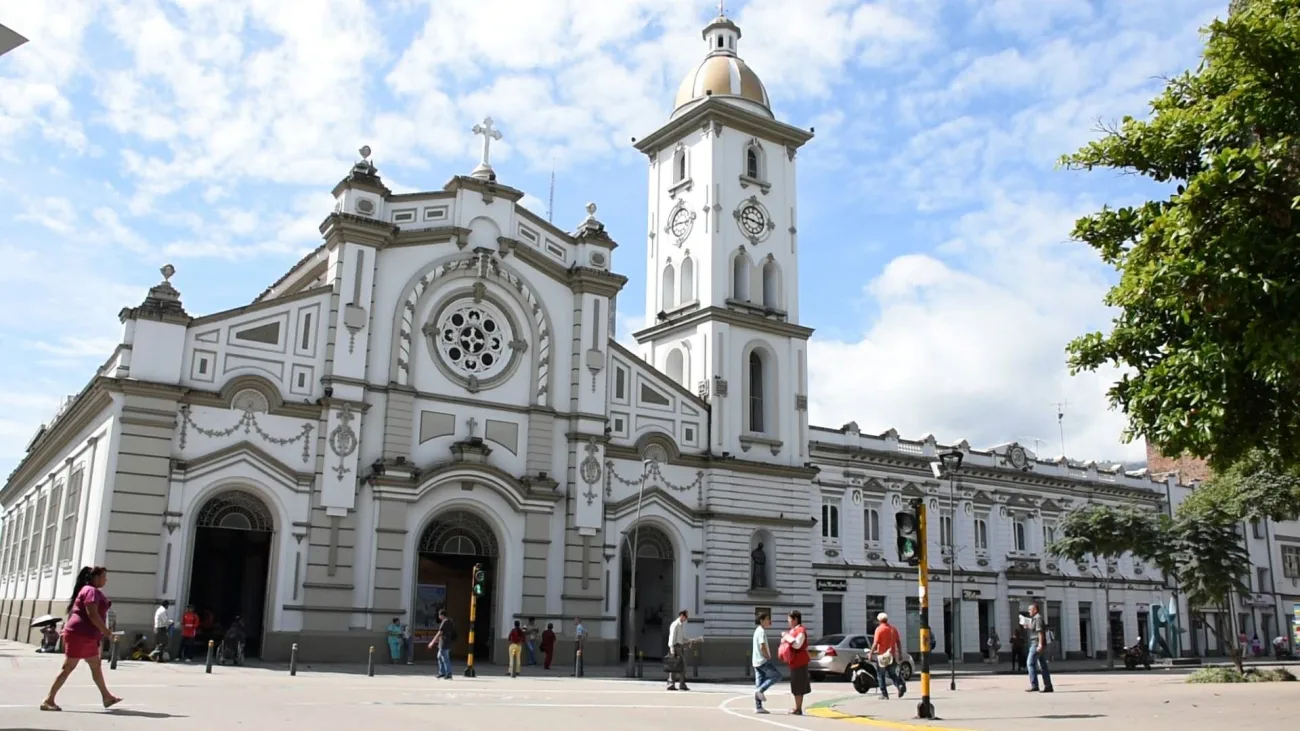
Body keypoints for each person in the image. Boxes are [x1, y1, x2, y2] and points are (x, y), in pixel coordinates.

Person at [41, 566, 122, 712]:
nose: (106, 579)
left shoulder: (89, 590)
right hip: (80, 634)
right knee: (68, 667)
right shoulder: (90, 591)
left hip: (85, 635)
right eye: (104, 576)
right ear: (95, 577)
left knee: (95, 666)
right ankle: (48, 700)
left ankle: (107, 697)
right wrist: (107, 632)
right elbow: (92, 614)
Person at [779, 610, 811, 716]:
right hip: (794, 662)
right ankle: (797, 707)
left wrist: (786, 637)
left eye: (789, 619)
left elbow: (797, 644)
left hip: (800, 662)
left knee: (798, 686)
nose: (788, 621)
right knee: (796, 685)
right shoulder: (793, 630)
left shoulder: (801, 630)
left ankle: (798, 709)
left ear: (795, 619)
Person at [869, 612, 906, 700]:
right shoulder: (893, 629)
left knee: (880, 675)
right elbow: (898, 642)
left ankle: (884, 694)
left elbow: (875, 643)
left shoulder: (879, 629)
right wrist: (899, 654)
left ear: (879, 620)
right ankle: (900, 685)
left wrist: (871, 653)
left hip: (882, 656)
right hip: (891, 655)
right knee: (893, 674)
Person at [752, 612, 779, 714]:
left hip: (756, 661)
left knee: (759, 682)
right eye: (767, 619)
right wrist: (767, 656)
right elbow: (762, 646)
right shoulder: (761, 631)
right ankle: (761, 691)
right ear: (761, 620)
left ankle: (758, 707)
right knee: (776, 676)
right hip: (762, 660)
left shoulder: (757, 631)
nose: (769, 621)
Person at [1026, 604, 1054, 693]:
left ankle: (1034, 685)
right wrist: (1028, 627)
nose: (1028, 611)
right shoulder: (1035, 618)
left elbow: (1040, 632)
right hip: (1037, 643)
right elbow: (1036, 630)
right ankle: (1048, 685)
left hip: (1036, 643)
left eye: (1030, 609)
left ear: (1035, 610)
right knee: (1043, 665)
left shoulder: (1038, 618)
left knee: (1030, 663)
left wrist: (1040, 644)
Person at [666, 609, 690, 691]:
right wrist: (672, 649)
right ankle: (675, 684)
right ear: (681, 616)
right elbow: (672, 637)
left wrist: (687, 640)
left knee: (678, 666)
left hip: (679, 647)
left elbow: (681, 638)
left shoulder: (680, 625)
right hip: (675, 647)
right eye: (686, 616)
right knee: (676, 666)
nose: (686, 619)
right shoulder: (675, 624)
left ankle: (677, 684)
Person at [427, 609, 455, 679]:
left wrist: (432, 642)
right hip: (447, 642)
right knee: (439, 656)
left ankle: (449, 674)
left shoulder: (444, 622)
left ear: (442, 615)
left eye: (439, 615)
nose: (439, 617)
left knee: (445, 658)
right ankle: (442, 672)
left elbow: (440, 632)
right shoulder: (450, 621)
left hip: (444, 642)